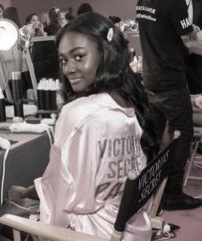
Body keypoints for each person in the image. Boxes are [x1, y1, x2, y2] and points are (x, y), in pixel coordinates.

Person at [31, 12, 159, 241]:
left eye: (78, 56)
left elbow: (59, 200)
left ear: (105, 54)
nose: (68, 68)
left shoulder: (78, 114)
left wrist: (42, 231)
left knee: (1, 220)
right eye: (64, 60)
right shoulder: (127, 100)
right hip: (135, 228)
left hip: (92, 235)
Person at [136, 0, 202, 210]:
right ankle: (172, 193)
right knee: (183, 134)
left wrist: (188, 30)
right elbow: (191, 43)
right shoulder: (174, 2)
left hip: (151, 78)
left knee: (154, 139)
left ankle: (152, 187)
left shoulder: (143, 1)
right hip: (170, 81)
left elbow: (163, 32)